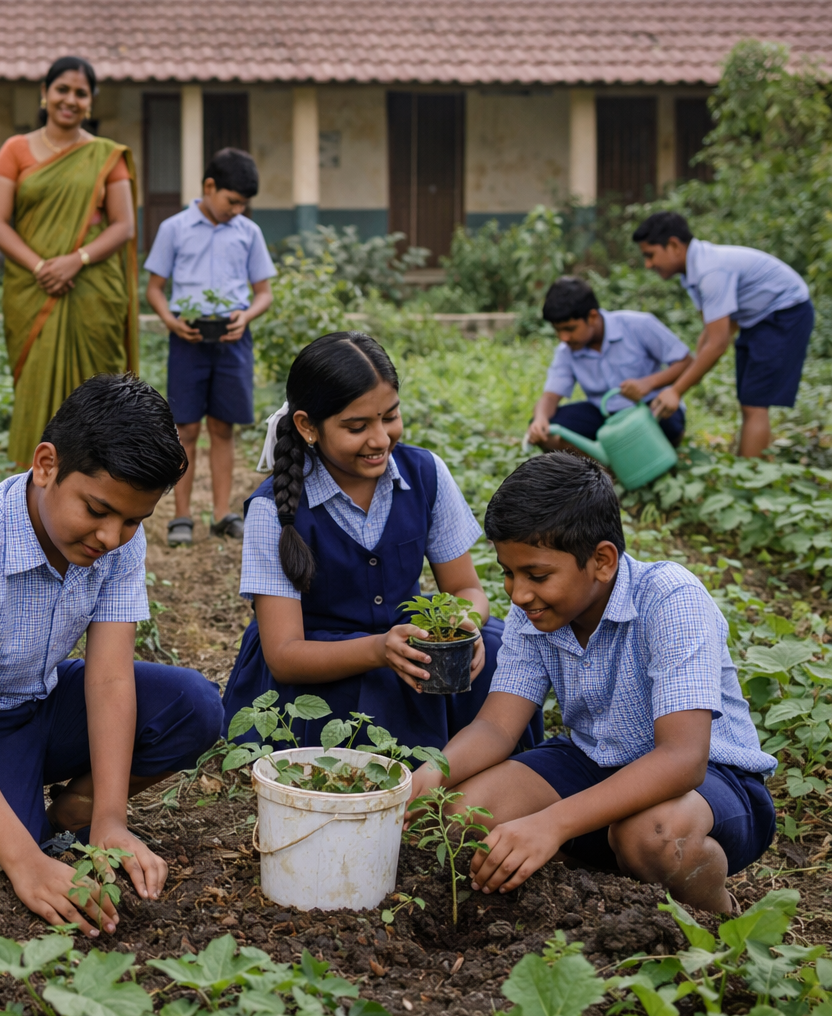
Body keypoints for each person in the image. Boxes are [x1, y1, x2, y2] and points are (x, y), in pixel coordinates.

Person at [0, 374, 222, 935]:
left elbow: (108, 682)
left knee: (191, 705)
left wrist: (110, 819)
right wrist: (26, 862)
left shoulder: (119, 536)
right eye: (97, 509)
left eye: (132, 520)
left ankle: (73, 813)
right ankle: (28, 825)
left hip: (35, 699)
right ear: (47, 464)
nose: (110, 536)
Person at [410, 453, 776, 913]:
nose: (518, 595)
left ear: (602, 560)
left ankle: (718, 920)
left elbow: (684, 759)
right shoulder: (536, 612)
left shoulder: (670, 599)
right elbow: (497, 728)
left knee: (652, 836)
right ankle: (599, 894)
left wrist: (551, 823)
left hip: (710, 784)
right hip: (594, 760)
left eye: (537, 575)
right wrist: (432, 774)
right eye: (508, 572)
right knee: (466, 814)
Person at [225, 332, 540, 753]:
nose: (380, 439)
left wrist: (464, 625)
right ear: (307, 426)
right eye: (357, 427)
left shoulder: (424, 473)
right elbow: (284, 654)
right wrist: (379, 649)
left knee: (499, 655)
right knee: (362, 705)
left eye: (389, 417)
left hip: (406, 645)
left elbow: (466, 589)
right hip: (319, 665)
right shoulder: (274, 509)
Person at [0, 56, 139, 467]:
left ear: (91, 102)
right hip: (32, 289)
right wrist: (42, 267)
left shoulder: (107, 155)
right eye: (62, 90)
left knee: (97, 390)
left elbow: (123, 225)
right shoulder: (14, 149)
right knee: (35, 389)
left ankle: (103, 479)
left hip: (92, 289)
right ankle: (33, 487)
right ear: (45, 93)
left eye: (80, 93)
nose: (70, 100)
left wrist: (76, 260)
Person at [144, 147, 275, 546]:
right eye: (232, 201)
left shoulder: (248, 233)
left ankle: (222, 513)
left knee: (223, 427)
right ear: (209, 187)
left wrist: (245, 316)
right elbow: (155, 289)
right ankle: (181, 517)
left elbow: (263, 293)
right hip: (188, 341)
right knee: (185, 428)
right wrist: (171, 322)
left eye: (243, 204)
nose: (237, 209)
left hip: (233, 343)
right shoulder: (174, 228)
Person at [634, 211, 814, 458]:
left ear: (674, 245)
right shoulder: (693, 271)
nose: (648, 264)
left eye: (650, 255)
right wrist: (687, 376)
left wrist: (676, 390)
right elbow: (712, 332)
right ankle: (753, 466)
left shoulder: (710, 272)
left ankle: (751, 480)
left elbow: (718, 344)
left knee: (755, 403)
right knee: (749, 400)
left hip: (784, 313)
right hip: (756, 318)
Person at [526, 276, 693, 452]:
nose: (563, 338)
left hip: (647, 409)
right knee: (546, 428)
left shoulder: (638, 325)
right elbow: (551, 397)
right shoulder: (566, 351)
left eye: (570, 329)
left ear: (592, 317)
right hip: (604, 415)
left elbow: (685, 361)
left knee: (669, 420)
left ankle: (659, 455)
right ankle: (603, 471)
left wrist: (649, 383)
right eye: (558, 330)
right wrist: (540, 419)